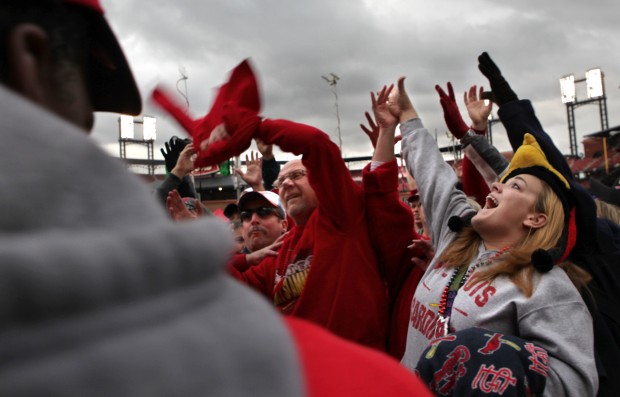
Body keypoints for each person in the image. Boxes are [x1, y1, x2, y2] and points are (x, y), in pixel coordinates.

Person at [0, 2, 435, 395]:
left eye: (296, 177)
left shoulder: (339, 219)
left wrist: (253, 126)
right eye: (278, 183)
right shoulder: (282, 255)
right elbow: (237, 287)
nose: (284, 186)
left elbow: (318, 145)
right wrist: (209, 251)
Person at [391, 69, 597, 396]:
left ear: (536, 218)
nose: (498, 184)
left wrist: (496, 374)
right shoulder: (456, 237)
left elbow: (576, 381)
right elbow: (433, 174)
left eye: (515, 185)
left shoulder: (546, 287)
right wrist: (407, 116)